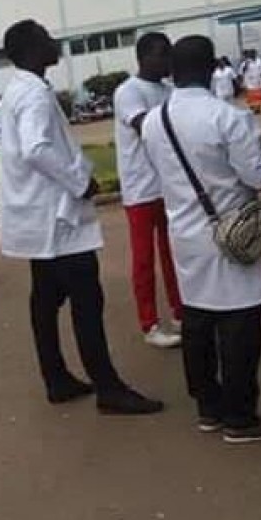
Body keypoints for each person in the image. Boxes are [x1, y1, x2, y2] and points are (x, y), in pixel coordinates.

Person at [0, 19, 163, 415]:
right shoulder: (33, 94)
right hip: (58, 215)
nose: (55, 41)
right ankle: (108, 387)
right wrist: (79, 182)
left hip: (38, 214)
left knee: (46, 298)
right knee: (87, 298)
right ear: (34, 49)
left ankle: (56, 378)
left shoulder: (18, 90)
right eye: (47, 37)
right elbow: (36, 148)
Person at [141, 36, 261, 443]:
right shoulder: (227, 117)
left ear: (172, 69)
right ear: (211, 68)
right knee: (241, 325)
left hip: (185, 235)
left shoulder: (156, 120)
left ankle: (208, 406)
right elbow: (258, 175)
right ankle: (241, 417)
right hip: (230, 234)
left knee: (197, 320)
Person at [113, 33, 183, 349]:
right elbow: (146, 127)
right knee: (144, 258)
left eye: (169, 54)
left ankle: (181, 312)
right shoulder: (128, 92)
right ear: (143, 57)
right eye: (161, 55)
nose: (167, 61)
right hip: (140, 187)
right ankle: (150, 323)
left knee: (175, 254)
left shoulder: (169, 91)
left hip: (170, 185)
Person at [239, 49, 261, 114]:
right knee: (252, 95)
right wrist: (246, 65)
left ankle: (258, 108)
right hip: (249, 81)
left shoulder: (259, 61)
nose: (252, 55)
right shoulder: (245, 62)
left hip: (259, 80)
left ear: (255, 54)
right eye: (250, 54)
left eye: (253, 53)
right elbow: (241, 72)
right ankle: (252, 106)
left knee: (259, 95)